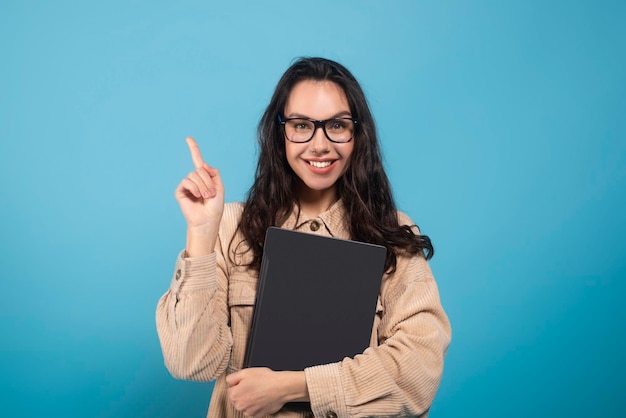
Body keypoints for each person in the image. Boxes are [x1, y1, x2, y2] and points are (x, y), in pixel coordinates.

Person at [156, 57, 451, 418]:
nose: (319, 144)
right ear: (279, 132)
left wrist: (294, 386)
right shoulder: (230, 226)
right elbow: (191, 362)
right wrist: (202, 234)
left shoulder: (390, 233)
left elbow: (419, 370)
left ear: (358, 134)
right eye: (301, 125)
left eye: (337, 126)